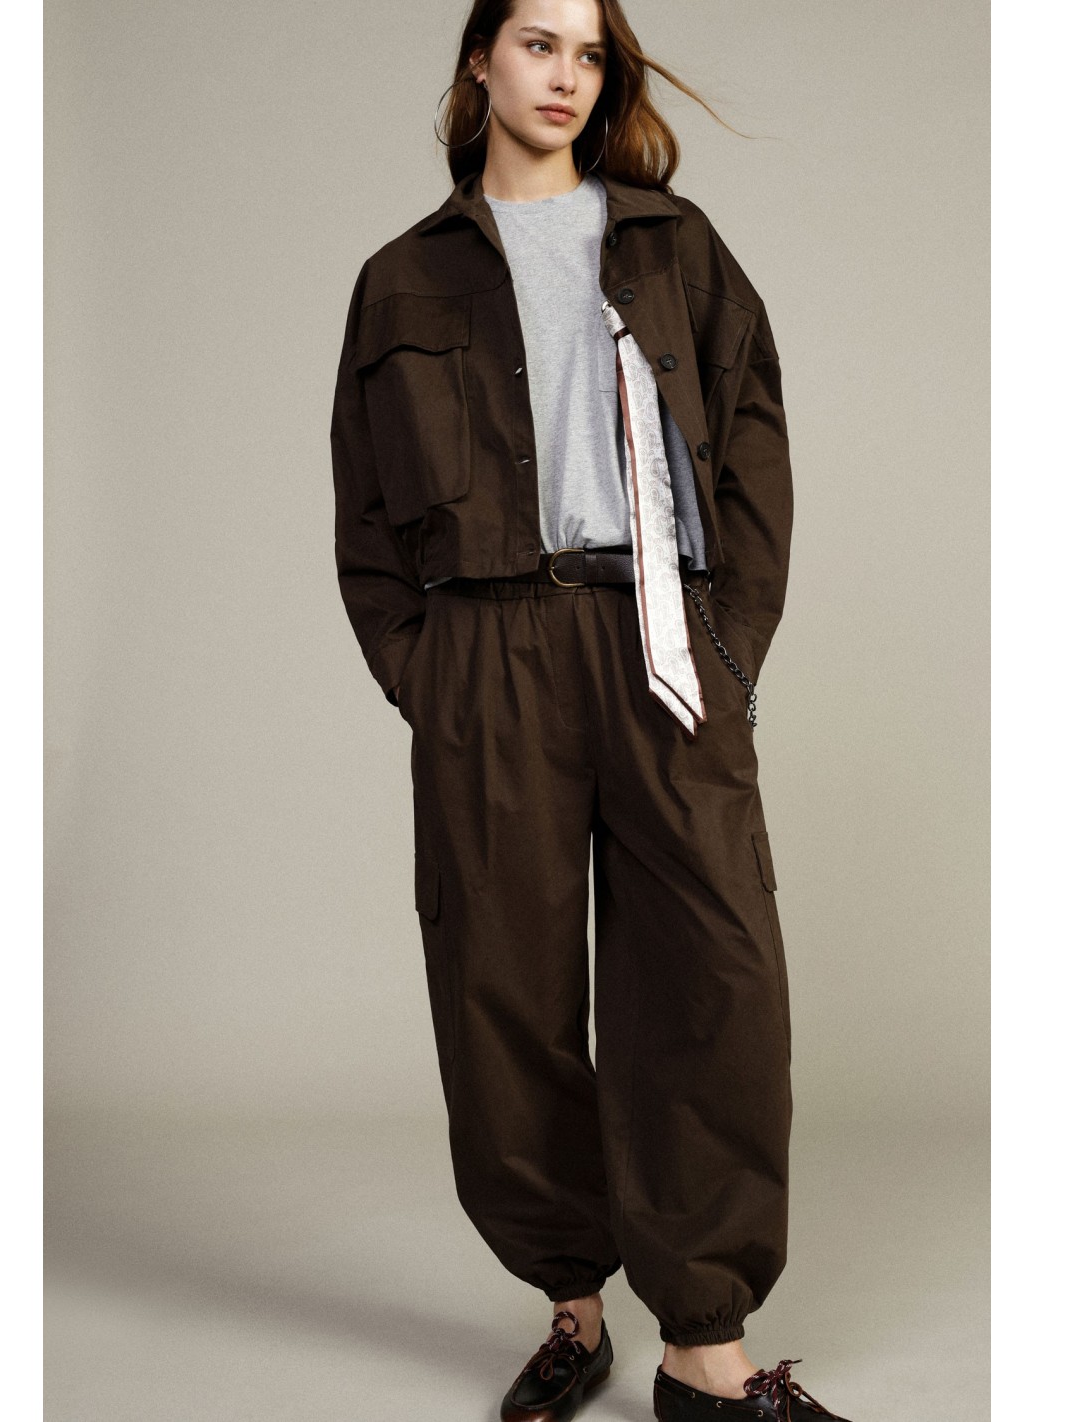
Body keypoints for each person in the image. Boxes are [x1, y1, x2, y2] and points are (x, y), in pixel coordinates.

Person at [330, 2, 851, 1418]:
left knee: (712, 975)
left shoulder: (676, 246)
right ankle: (573, 1302)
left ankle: (705, 1346)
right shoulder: (400, 281)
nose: (565, 75)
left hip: (663, 637)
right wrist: (430, 674)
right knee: (502, 984)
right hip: (487, 653)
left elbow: (753, 445)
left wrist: (728, 644)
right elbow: (365, 516)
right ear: (480, 59)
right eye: (538, 42)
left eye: (589, 52)